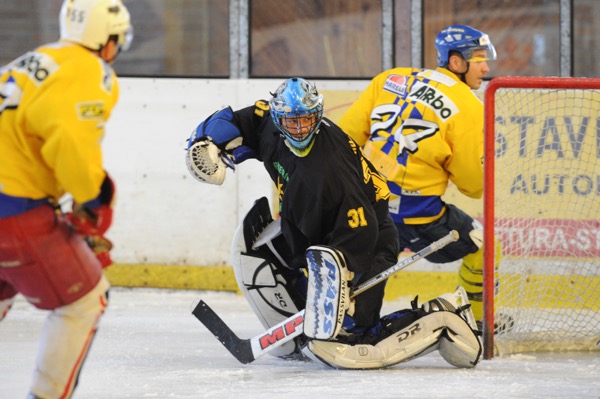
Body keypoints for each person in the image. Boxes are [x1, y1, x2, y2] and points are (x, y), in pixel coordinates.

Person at [185, 77, 481, 369]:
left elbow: (361, 232)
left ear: (318, 114)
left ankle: (444, 315)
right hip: (312, 227)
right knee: (261, 254)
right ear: (278, 118)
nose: (300, 128)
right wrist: (208, 140)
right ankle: (305, 325)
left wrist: (345, 284)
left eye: (306, 120)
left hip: (368, 240)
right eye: (291, 121)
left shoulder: (329, 171)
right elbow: (238, 119)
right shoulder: (270, 125)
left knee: (356, 337)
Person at [0, 0, 132, 397]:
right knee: (85, 301)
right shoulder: (90, 71)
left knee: (4, 289)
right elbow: (72, 144)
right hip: (14, 210)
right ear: (107, 41)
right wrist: (93, 200)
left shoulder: (33, 60)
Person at [337, 25, 508, 331]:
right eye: (479, 58)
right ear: (456, 62)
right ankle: (480, 322)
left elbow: (343, 139)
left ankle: (348, 319)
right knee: (483, 249)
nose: (486, 67)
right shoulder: (469, 107)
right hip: (419, 217)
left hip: (367, 206)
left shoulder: (389, 79)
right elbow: (473, 187)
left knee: (365, 259)